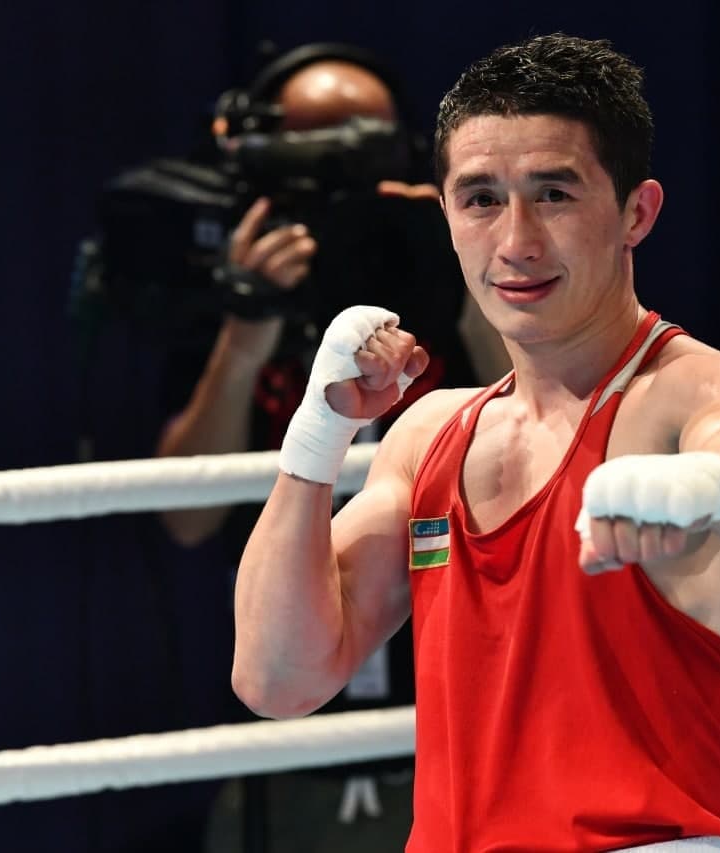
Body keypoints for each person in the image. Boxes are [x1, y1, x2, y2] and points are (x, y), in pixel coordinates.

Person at [233, 32, 720, 852]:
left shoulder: (692, 393)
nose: (516, 241)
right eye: (480, 198)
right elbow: (276, 677)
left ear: (637, 212)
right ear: (445, 214)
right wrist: (318, 431)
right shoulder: (430, 434)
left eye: (554, 193)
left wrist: (698, 486)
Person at [148, 43, 507, 851]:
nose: (344, 182)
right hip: (282, 738)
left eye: (364, 149)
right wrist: (245, 333)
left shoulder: (457, 269)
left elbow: (550, 439)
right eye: (316, 155)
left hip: (461, 734)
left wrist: (465, 285)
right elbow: (185, 518)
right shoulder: (233, 292)